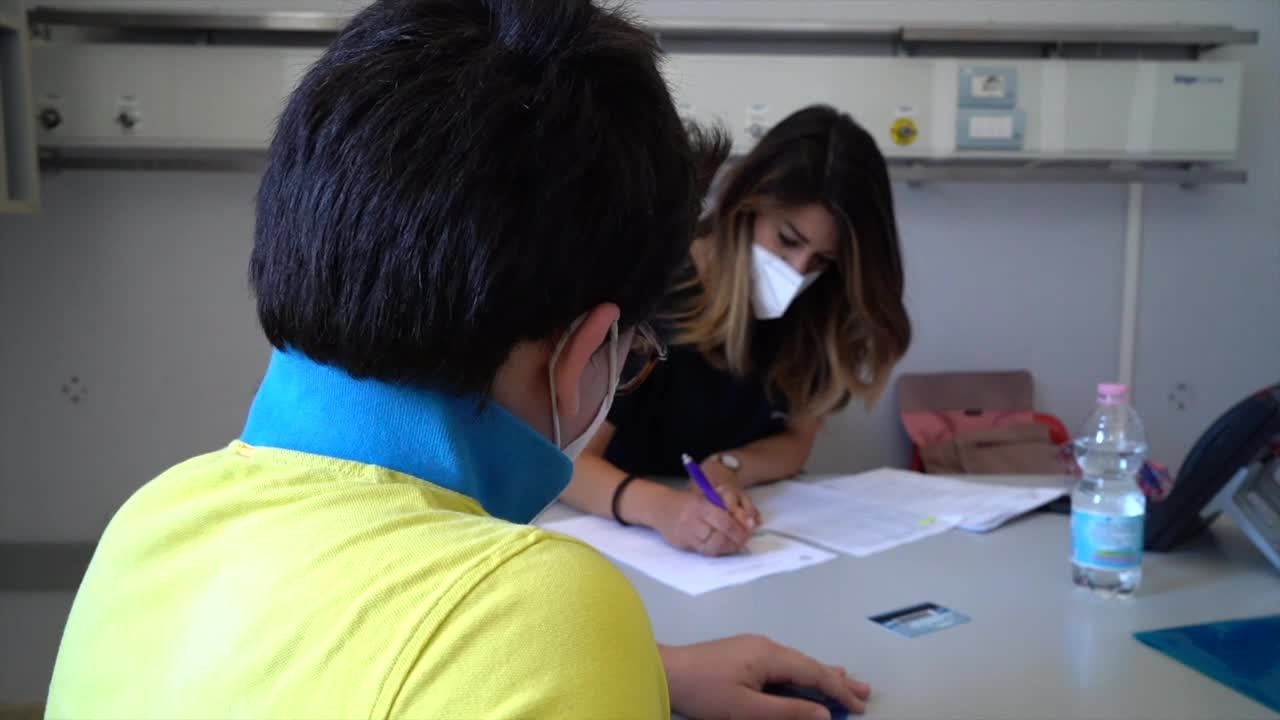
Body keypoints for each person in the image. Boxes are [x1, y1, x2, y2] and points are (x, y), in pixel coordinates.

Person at [45, 1, 871, 718]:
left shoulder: (150, 522)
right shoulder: (544, 611)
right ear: (587, 350)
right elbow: (490, 648)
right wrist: (598, 655)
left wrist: (658, 672)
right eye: (633, 355)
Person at [561, 105, 912, 557]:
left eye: (822, 260)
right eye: (788, 240)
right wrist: (665, 510)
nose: (798, 271)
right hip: (617, 534)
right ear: (748, 204)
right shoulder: (656, 288)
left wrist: (728, 467)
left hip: (728, 542)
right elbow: (569, 464)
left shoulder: (815, 310)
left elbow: (796, 441)